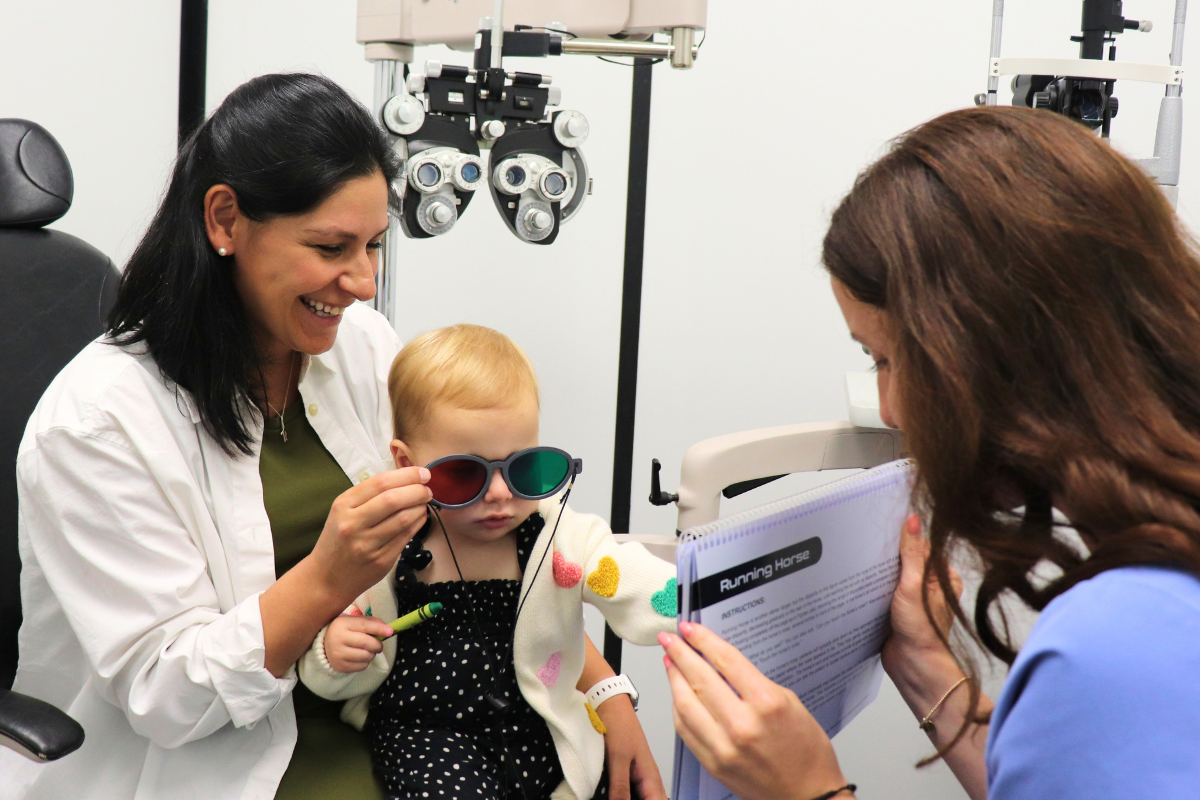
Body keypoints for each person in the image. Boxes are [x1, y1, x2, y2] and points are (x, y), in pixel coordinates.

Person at [5, 73, 661, 800]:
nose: (362, 281)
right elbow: (167, 700)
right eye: (330, 247)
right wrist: (328, 576)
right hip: (212, 761)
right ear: (224, 220)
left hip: (390, 716)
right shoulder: (99, 423)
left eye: (373, 246)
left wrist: (605, 690)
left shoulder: (362, 349)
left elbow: (496, 554)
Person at [659, 105, 1200, 800]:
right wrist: (924, 666)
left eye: (887, 359)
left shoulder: (1111, 653)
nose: (889, 410)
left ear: (984, 349)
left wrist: (809, 790)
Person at [297, 324, 677, 800]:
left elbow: (634, 581)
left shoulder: (559, 538)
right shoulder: (386, 543)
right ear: (406, 464)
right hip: (428, 736)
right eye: (464, 473)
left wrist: (702, 598)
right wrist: (334, 652)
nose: (499, 494)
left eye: (523, 468)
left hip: (541, 724)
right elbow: (324, 667)